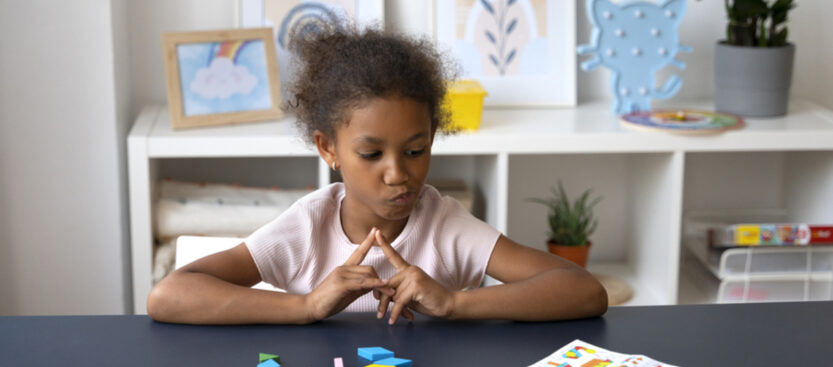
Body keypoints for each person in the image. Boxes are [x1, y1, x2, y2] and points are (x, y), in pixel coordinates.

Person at [147, 25, 608, 325]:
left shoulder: (444, 224)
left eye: (415, 150)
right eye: (371, 154)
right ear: (329, 148)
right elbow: (169, 296)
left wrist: (455, 303)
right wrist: (305, 305)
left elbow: (584, 291)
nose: (398, 174)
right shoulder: (308, 226)